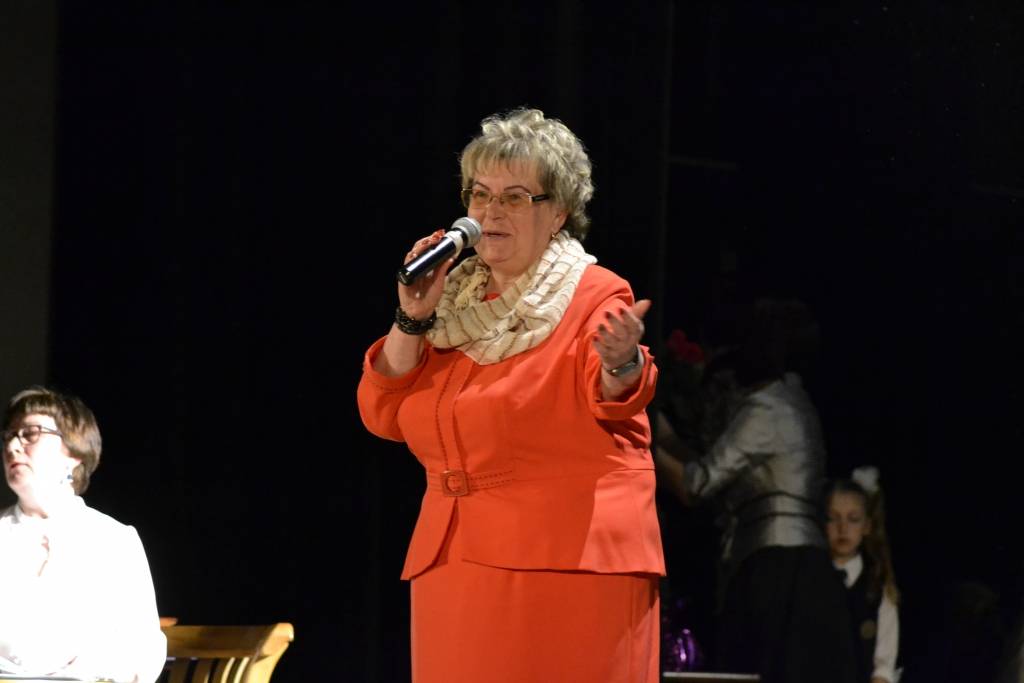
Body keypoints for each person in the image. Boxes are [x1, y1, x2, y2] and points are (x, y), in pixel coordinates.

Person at [357, 107, 665, 682]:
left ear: (559, 213)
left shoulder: (593, 294)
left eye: (516, 197)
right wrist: (411, 316)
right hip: (454, 564)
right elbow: (383, 414)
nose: (490, 211)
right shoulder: (451, 301)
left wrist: (622, 361)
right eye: (480, 194)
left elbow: (617, 391)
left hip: (566, 562)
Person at [655, 298, 856, 683]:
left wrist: (642, 440)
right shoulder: (789, 399)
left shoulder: (766, 408)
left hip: (779, 571)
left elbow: (696, 484)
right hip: (792, 567)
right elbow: (708, 467)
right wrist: (660, 432)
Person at [0, 386, 166, 683]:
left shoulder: (113, 540)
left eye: (30, 433)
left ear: (73, 452)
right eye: (9, 436)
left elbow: (144, 649)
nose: (13, 446)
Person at [824, 467, 901, 683]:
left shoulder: (876, 589)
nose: (843, 528)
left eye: (853, 519)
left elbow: (883, 666)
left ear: (867, 526)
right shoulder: (809, 580)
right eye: (833, 518)